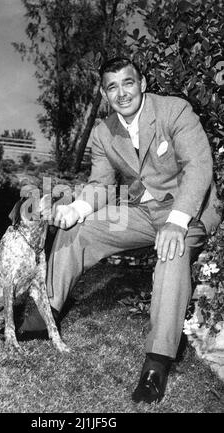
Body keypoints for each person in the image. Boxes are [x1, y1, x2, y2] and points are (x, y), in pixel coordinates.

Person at [19, 57, 221, 404]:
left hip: (190, 211)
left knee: (172, 252)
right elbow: (100, 184)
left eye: (128, 83)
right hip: (143, 211)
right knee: (79, 228)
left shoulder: (174, 110)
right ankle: (44, 316)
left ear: (141, 83)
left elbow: (198, 167)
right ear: (104, 93)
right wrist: (75, 210)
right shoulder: (103, 131)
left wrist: (176, 221)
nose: (122, 93)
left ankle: (156, 365)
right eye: (112, 86)